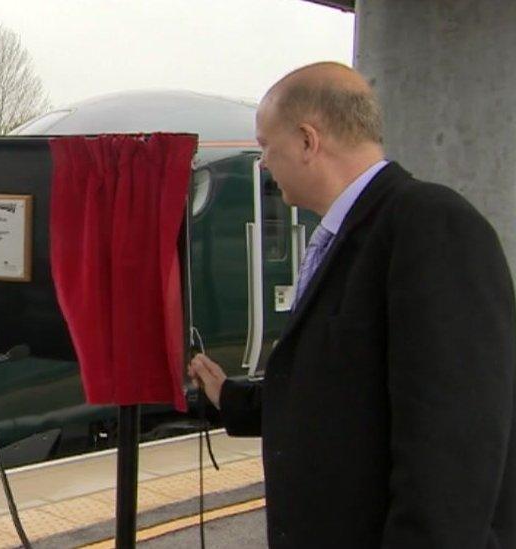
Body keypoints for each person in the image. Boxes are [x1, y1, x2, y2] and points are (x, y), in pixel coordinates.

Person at [189, 62, 515, 548]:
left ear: (306, 141)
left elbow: (454, 444)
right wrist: (232, 400)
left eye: (266, 146)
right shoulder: (349, 236)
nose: (263, 165)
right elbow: (344, 390)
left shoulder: (430, 226)